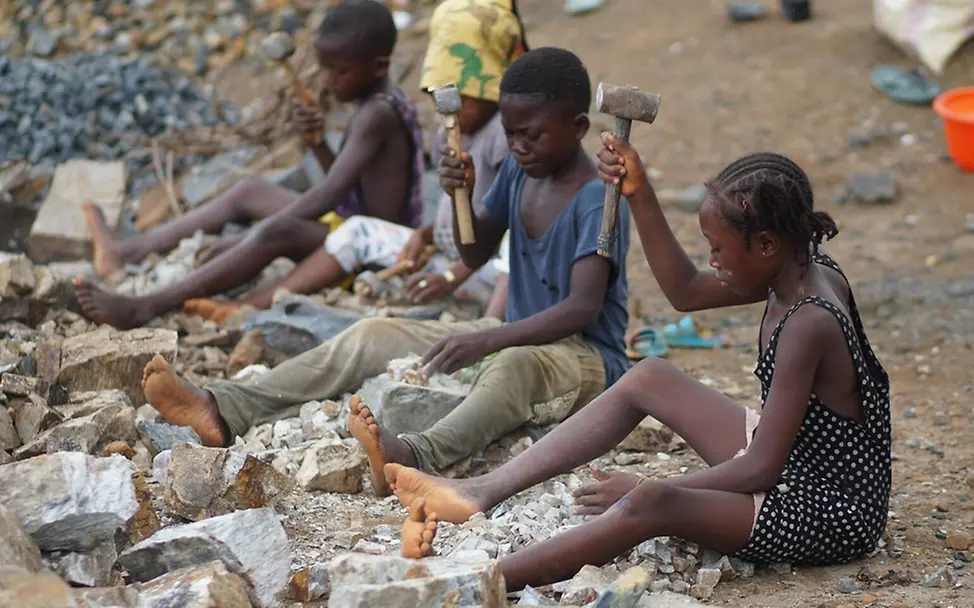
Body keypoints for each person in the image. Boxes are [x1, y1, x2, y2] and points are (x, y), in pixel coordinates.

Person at [137, 48, 630, 505]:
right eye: (512, 133)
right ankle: (224, 407)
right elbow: (476, 250)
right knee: (377, 331)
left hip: (585, 358)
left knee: (512, 366)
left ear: (579, 125)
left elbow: (581, 309)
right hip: (513, 334)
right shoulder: (524, 173)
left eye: (533, 135)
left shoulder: (596, 200)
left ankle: (417, 454)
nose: (519, 146)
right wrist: (463, 195)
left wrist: (487, 338)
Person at [383, 148, 893, 588]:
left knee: (651, 503)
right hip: (795, 466)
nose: (712, 260)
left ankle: (479, 582)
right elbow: (685, 291)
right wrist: (639, 193)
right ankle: (476, 491)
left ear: (764, 244)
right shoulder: (798, 263)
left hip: (832, 512)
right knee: (650, 375)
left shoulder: (807, 321)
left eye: (717, 249)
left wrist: (652, 487)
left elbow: (762, 467)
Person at [75, 0, 425, 329]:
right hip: (352, 222)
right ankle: (125, 252)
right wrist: (317, 143)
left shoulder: (377, 114)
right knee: (249, 190)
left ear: (379, 65)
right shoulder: (373, 103)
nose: (328, 80)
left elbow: (330, 194)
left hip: (376, 249)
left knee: (276, 232)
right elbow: (347, 187)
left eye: (340, 71)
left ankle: (146, 306)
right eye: (325, 69)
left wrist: (245, 239)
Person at [181, 0, 529, 323]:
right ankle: (244, 307)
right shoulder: (449, 132)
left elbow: (507, 236)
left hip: (487, 273)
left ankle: (489, 331)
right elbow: (453, 217)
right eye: (440, 95)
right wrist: (426, 236)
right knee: (352, 231)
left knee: (350, 231)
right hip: (449, 258)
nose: (449, 107)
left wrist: (452, 275)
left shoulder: (504, 136)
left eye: (462, 96)